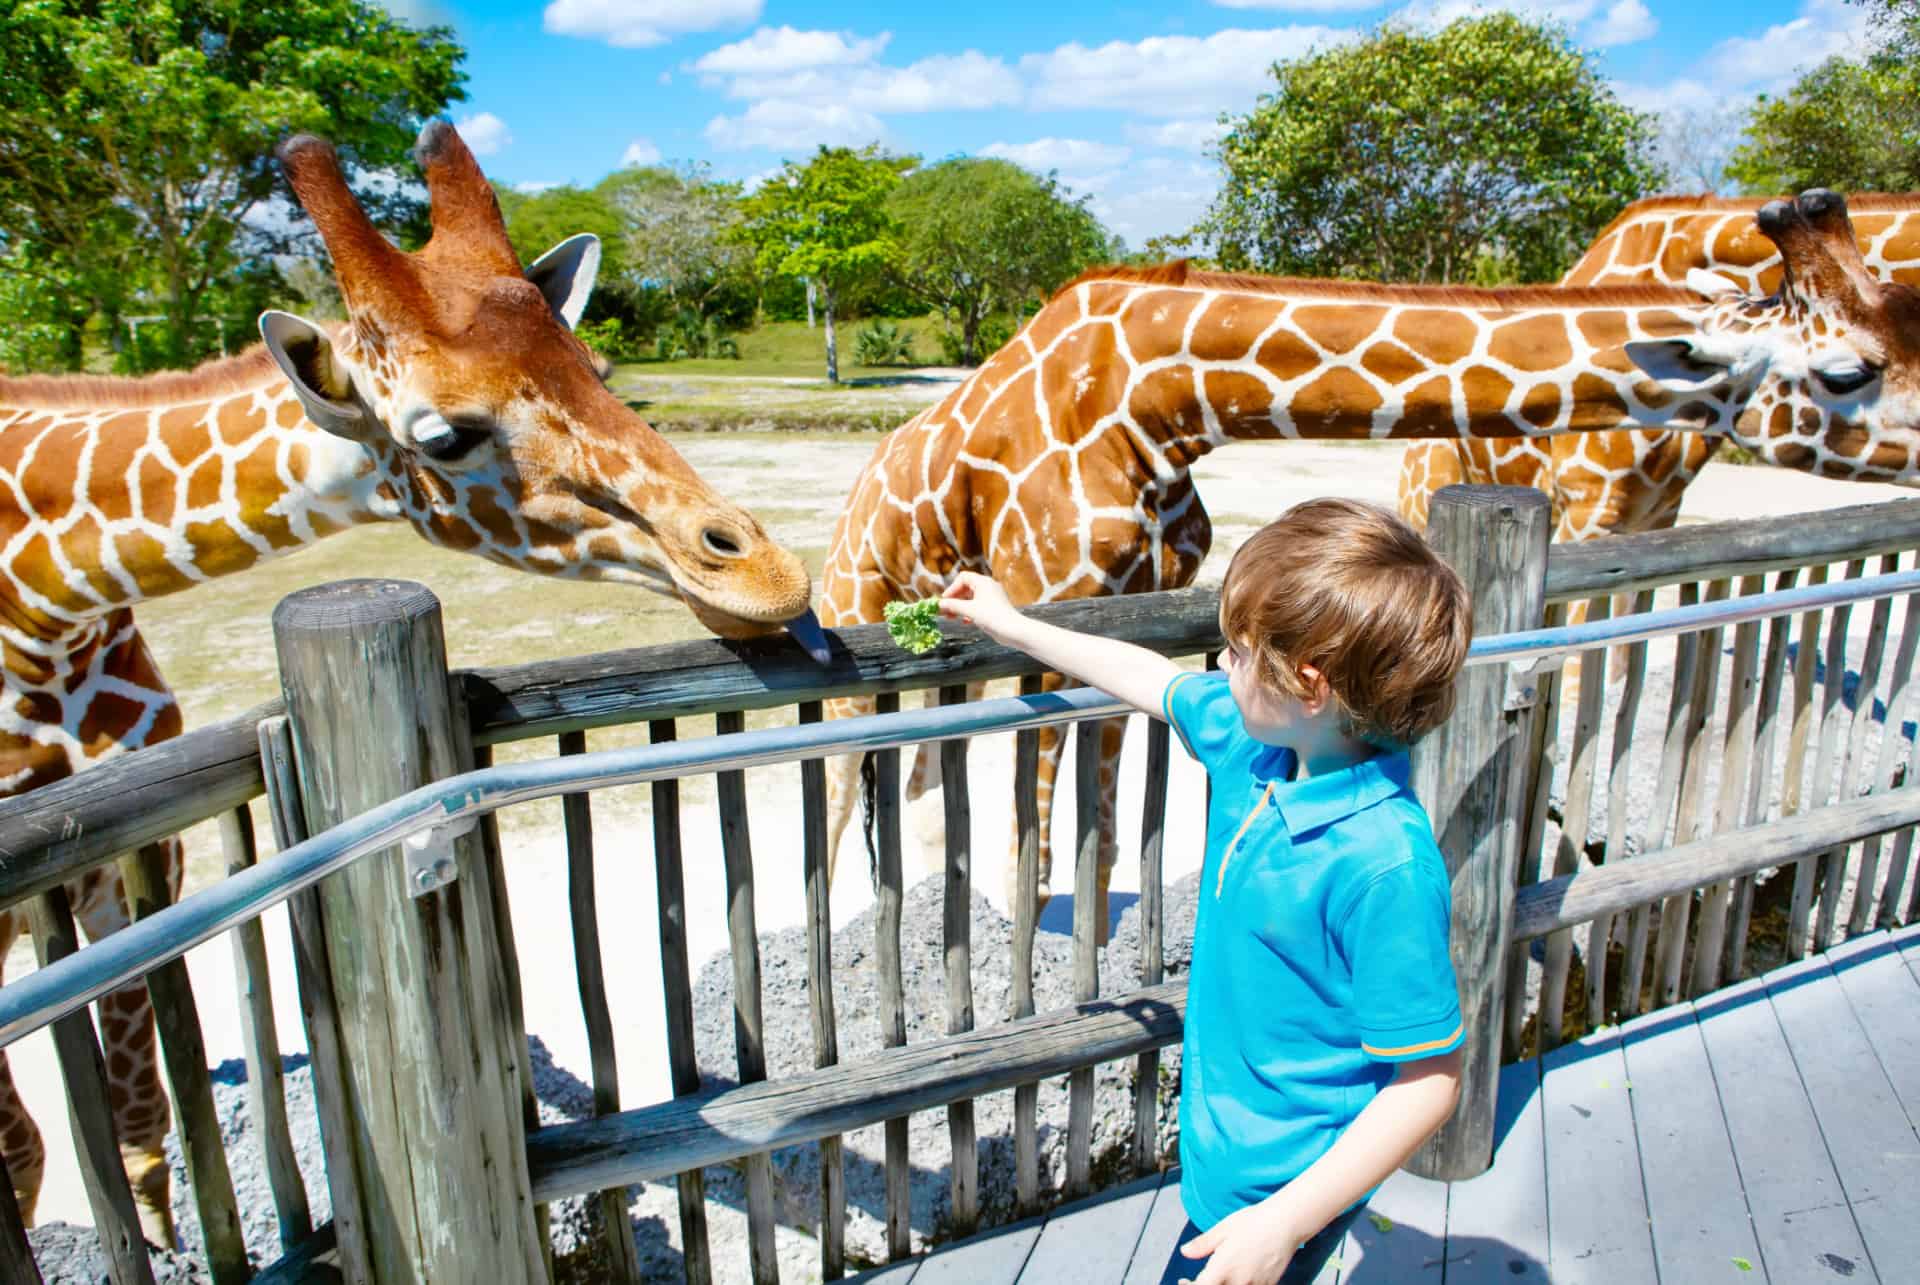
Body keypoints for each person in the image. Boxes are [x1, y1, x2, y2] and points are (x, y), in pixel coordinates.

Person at [938, 497, 1471, 1285]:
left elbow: (1430, 1079)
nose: (1221, 665)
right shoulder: (1261, 747)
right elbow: (1151, 678)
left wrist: (1286, 1220)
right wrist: (1015, 626)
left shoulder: (1384, 862)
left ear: (1309, 683)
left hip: (1284, 1191)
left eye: (1240, 651)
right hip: (1226, 1167)